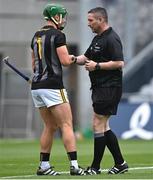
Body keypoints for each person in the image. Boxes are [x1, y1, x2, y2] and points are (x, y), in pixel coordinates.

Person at [30, 3, 86, 176]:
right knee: (66, 124)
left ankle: (44, 166)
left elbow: (34, 65)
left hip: (37, 87)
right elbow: (65, 61)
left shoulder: (36, 36)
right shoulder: (58, 35)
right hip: (53, 86)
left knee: (49, 126)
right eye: (62, 16)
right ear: (56, 17)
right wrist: (78, 58)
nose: (64, 19)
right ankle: (75, 166)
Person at [73, 7, 128, 175]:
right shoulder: (97, 39)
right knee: (104, 126)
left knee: (97, 123)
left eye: (91, 20)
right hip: (100, 87)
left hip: (109, 86)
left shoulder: (112, 38)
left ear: (101, 20)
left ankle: (95, 167)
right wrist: (71, 59)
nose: (88, 24)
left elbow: (119, 63)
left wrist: (97, 66)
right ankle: (120, 163)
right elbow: (85, 57)